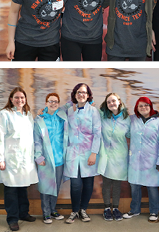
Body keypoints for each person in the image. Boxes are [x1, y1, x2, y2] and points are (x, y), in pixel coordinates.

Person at [0, 87, 38, 230]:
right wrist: (0, 159)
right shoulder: (4, 115)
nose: (20, 100)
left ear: (25, 100)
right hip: (10, 158)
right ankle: (12, 219)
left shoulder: (27, 115)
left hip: (25, 159)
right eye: (17, 97)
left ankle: (23, 213)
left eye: (22, 98)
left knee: (23, 188)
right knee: (11, 190)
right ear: (11, 99)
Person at [59, 83, 99, 223]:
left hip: (88, 152)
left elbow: (97, 134)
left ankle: (83, 210)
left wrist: (94, 153)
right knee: (75, 185)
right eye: (78, 92)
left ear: (88, 95)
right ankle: (74, 211)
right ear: (75, 95)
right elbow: (55, 110)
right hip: (73, 153)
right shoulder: (69, 110)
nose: (81, 94)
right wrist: (43, 110)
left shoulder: (93, 111)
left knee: (88, 184)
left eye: (84, 92)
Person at [124, 96, 159, 221]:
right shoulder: (132, 120)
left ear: (150, 107)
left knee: (152, 187)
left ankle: (154, 212)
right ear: (137, 108)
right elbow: (126, 132)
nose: (143, 108)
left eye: (146, 105)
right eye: (140, 106)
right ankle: (134, 210)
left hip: (152, 162)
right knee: (134, 186)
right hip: (135, 161)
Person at [34, 92, 66, 224]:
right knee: (46, 186)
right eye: (50, 101)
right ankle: (46, 213)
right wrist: (38, 156)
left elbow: (73, 104)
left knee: (56, 186)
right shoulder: (40, 119)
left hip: (59, 158)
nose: (53, 103)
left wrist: (91, 102)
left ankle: (53, 210)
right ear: (46, 103)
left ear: (58, 103)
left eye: (56, 101)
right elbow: (37, 140)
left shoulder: (62, 116)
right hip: (45, 158)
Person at [96, 93, 129, 221]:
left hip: (120, 155)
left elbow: (133, 135)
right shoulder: (102, 115)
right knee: (106, 182)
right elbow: (85, 109)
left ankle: (115, 208)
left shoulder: (127, 119)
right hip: (105, 154)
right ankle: (106, 208)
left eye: (113, 101)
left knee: (117, 183)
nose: (111, 104)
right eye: (109, 102)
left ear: (119, 102)